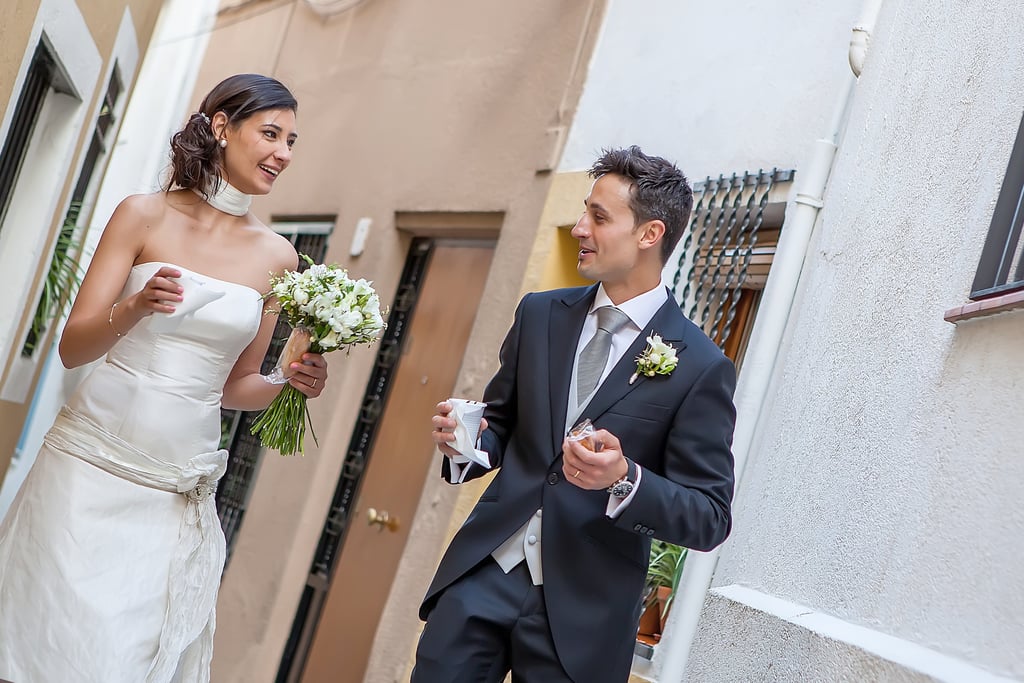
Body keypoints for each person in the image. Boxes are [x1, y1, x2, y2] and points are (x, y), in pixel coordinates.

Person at [0, 74, 328, 682]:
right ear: (223, 127)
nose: (284, 152)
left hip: (173, 488)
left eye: (292, 140)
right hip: (87, 468)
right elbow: (73, 348)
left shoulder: (280, 256)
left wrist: (289, 382)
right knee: (47, 638)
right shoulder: (142, 215)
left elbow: (237, 387)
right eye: (271, 133)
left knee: (121, 657)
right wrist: (136, 306)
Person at [413, 146, 738, 683]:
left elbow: (709, 516)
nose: (579, 228)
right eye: (584, 210)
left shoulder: (701, 366)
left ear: (649, 235)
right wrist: (466, 440)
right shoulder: (540, 314)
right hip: (482, 578)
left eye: (599, 217)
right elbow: (504, 424)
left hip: (583, 617)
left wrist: (625, 479)